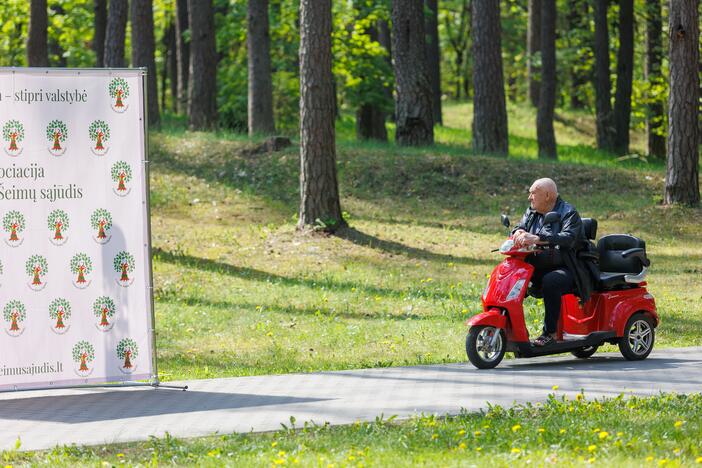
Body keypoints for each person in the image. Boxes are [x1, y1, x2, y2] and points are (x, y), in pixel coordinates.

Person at [512, 178, 594, 346]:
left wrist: (538, 238)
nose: (530, 197)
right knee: (513, 277)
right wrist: (518, 231)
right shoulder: (532, 212)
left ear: (548, 195)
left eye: (533, 193)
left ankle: (550, 333)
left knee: (551, 281)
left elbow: (568, 238)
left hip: (569, 268)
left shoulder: (568, 212)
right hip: (538, 265)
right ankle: (511, 327)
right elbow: (519, 227)